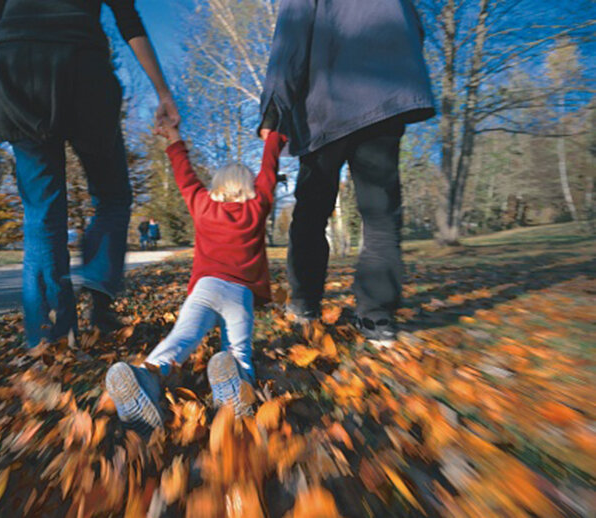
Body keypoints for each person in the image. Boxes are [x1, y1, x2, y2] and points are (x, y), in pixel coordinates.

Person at [0, 0, 179, 346]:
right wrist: (162, 91)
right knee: (113, 196)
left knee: (41, 213)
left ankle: (50, 339)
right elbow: (128, 19)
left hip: (17, 68)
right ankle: (100, 298)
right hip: (83, 68)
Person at [258, 0, 435, 348]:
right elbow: (414, 29)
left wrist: (273, 110)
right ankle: (377, 316)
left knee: (311, 213)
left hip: (324, 108)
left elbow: (291, 37)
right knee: (380, 214)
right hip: (384, 100)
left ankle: (305, 304)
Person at [105, 119, 287, 432]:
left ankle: (146, 378)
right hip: (239, 294)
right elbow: (269, 170)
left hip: (204, 289)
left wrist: (173, 137)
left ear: (216, 187)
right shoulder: (258, 206)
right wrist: (273, 138)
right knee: (238, 352)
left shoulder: (202, 205)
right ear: (250, 188)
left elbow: (184, 174)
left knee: (180, 340)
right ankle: (236, 388)